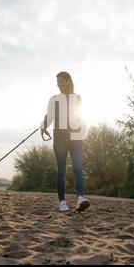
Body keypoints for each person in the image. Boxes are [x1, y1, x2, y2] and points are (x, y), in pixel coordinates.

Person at [40, 71, 90, 212]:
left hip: (76, 137)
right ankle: (62, 202)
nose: (59, 85)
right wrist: (43, 125)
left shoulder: (78, 98)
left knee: (77, 166)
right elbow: (49, 118)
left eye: (62, 82)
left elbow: (79, 116)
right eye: (58, 83)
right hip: (60, 138)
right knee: (61, 171)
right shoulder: (54, 99)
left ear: (68, 81)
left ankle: (80, 198)